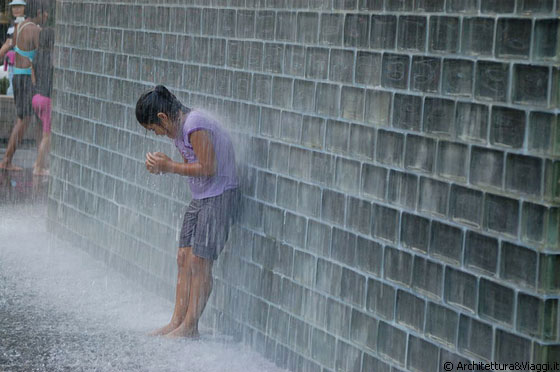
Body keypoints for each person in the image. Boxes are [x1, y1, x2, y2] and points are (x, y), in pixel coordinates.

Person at [135, 85, 239, 338]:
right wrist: (165, 164)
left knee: (200, 261)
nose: (157, 135)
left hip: (220, 195)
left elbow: (208, 166)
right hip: (202, 197)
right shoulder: (179, 130)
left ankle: (190, 326)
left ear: (162, 117)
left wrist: (169, 166)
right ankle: (176, 321)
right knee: (184, 256)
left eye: (153, 129)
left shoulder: (195, 124)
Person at [0, 0, 51, 171]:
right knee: (24, 120)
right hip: (27, 80)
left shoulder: (20, 26)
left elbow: (12, 47)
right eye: (45, 13)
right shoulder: (35, 30)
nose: (47, 16)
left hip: (18, 77)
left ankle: (40, 162)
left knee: (36, 120)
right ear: (39, 12)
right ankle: (7, 160)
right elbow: (44, 54)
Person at [30, 27, 53, 176]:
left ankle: (40, 162)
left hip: (36, 98)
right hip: (46, 100)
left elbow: (33, 78)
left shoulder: (36, 55)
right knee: (47, 136)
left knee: (42, 133)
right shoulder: (53, 56)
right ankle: (38, 167)